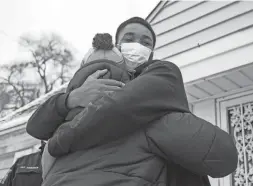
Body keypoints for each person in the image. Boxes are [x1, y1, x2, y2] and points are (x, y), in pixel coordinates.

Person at [26, 17, 238, 186]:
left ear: (152, 52)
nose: (138, 45)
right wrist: (71, 99)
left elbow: (122, 106)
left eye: (146, 42)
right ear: (116, 46)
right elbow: (35, 126)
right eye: (130, 38)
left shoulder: (158, 76)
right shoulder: (86, 82)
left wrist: (58, 142)